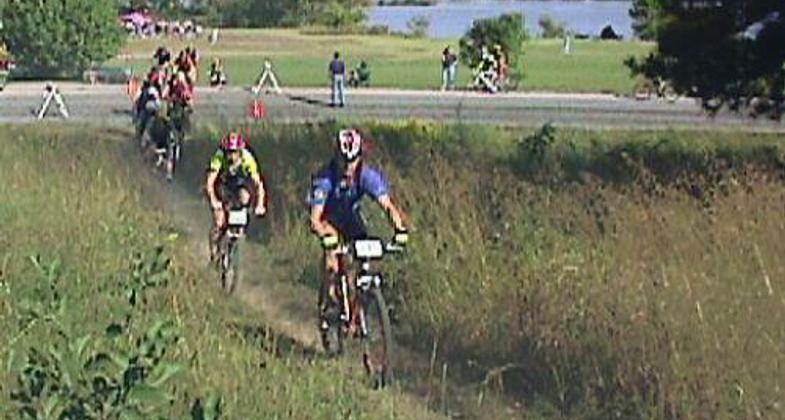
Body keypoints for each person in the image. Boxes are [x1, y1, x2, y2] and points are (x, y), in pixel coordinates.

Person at [309, 128, 409, 331]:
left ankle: (358, 303)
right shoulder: (325, 179)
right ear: (336, 156)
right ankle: (330, 300)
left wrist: (400, 230)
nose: (347, 167)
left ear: (359, 157)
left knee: (363, 262)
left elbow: (387, 206)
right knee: (333, 258)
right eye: (343, 161)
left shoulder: (367, 176)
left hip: (351, 219)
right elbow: (315, 219)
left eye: (352, 160)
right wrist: (326, 238)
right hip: (328, 219)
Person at [205, 132, 267, 262]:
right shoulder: (219, 156)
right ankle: (214, 252)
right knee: (219, 221)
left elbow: (258, 183)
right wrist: (214, 201)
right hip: (223, 185)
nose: (231, 156)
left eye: (234, 152)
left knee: (244, 197)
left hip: (240, 185)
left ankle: (239, 230)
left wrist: (260, 204)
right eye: (229, 152)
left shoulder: (247, 158)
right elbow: (210, 182)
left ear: (240, 151)